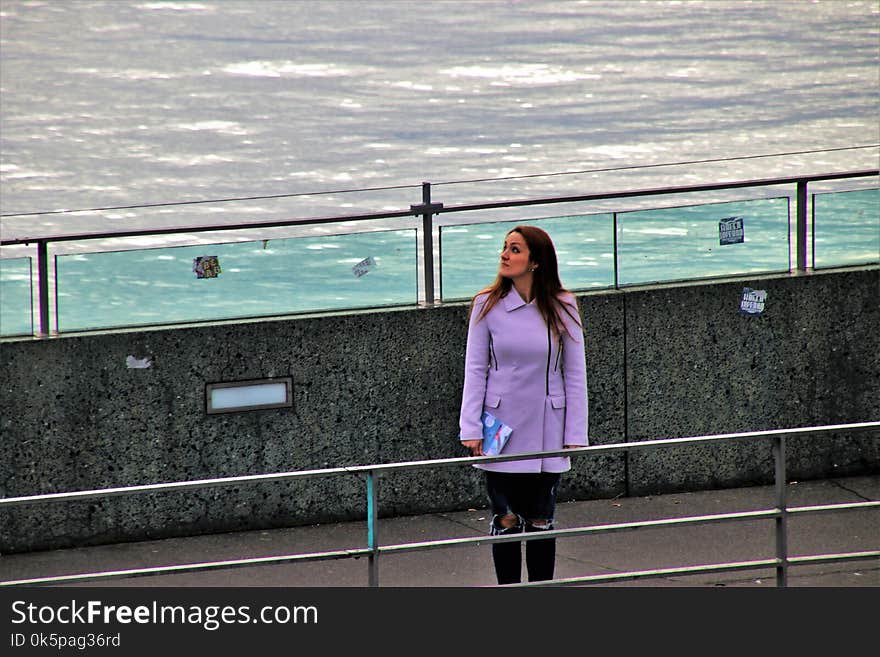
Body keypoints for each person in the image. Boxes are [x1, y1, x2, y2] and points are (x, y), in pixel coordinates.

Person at [458, 225, 588, 585]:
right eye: (504, 248)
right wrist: (470, 427)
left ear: (535, 261)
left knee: (542, 518)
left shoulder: (563, 305)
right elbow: (475, 368)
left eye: (514, 249)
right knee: (506, 518)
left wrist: (575, 431)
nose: (504, 255)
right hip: (501, 429)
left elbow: (575, 372)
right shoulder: (487, 304)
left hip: (549, 428)